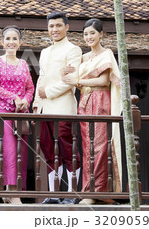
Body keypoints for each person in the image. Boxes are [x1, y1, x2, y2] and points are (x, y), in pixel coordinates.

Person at [62, 18, 122, 205]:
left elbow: (103, 81)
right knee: (87, 146)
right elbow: (68, 78)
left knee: (100, 146)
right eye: (86, 34)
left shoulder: (106, 54)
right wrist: (63, 73)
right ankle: (88, 190)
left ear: (101, 34)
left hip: (100, 100)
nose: (89, 37)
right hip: (85, 101)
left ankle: (97, 191)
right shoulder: (83, 57)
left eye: (92, 33)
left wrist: (79, 82)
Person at [32, 11, 82, 204]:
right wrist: (37, 103)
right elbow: (41, 80)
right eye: (51, 26)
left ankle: (71, 193)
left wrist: (48, 92)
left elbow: (70, 81)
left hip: (63, 107)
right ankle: (53, 194)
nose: (54, 29)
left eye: (58, 25)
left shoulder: (73, 50)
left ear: (66, 27)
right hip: (45, 109)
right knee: (49, 151)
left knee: (68, 149)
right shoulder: (45, 52)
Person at [0, 25, 34, 205]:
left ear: (20, 43)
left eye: (14, 39)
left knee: (21, 152)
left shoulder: (23, 64)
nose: (11, 42)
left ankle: (11, 192)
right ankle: (13, 193)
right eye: (7, 39)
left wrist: (25, 101)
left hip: (20, 113)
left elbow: (30, 87)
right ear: (2, 42)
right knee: (8, 150)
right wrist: (14, 97)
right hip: (2, 111)